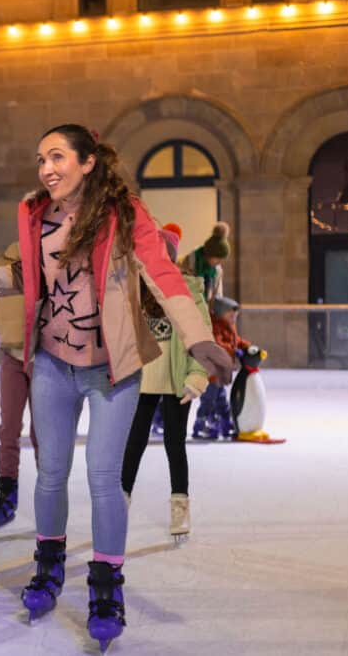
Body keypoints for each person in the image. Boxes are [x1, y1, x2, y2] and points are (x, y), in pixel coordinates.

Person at [0, 124, 233, 650]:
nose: (46, 169)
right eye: (39, 159)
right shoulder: (37, 213)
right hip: (53, 364)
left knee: (104, 477)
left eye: (56, 157)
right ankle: (49, 564)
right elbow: (24, 271)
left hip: (112, 369)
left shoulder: (126, 216)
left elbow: (166, 279)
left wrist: (197, 341)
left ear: (87, 162)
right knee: (51, 473)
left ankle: (106, 586)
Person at [120, 226, 211, 544]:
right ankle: (120, 503)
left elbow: (201, 334)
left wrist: (197, 375)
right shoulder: (133, 286)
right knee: (133, 443)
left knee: (175, 443)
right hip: (141, 379)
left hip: (176, 379)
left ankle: (180, 505)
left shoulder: (185, 289)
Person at [0, 241, 38, 530]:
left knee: (44, 431)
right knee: (9, 427)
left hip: (44, 357)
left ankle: (48, 495)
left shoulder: (48, 260)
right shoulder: (0, 264)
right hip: (12, 356)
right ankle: (7, 493)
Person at [194, 296, 250, 440]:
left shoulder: (229, 327)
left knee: (221, 400)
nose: (233, 318)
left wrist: (247, 347)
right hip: (211, 373)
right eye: (231, 315)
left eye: (235, 316)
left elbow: (237, 341)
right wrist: (233, 350)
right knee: (209, 400)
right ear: (220, 313)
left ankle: (225, 423)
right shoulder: (215, 326)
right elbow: (217, 345)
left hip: (221, 373)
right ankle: (201, 423)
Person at [179, 221, 230, 303]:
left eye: (222, 259)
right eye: (218, 258)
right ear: (209, 254)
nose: (219, 262)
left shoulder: (217, 270)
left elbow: (218, 296)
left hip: (207, 311)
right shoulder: (189, 262)